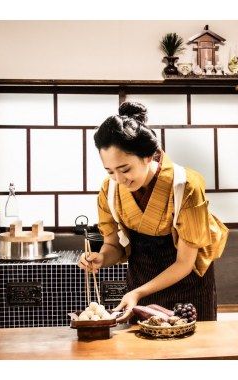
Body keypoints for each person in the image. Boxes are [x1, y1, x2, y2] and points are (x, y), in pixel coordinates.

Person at [78, 101, 228, 323]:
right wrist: (101, 258)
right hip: (140, 280)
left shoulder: (186, 185)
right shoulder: (109, 189)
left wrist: (138, 293)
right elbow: (114, 246)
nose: (119, 179)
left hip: (188, 285)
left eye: (125, 169)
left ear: (148, 156)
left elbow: (185, 263)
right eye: (110, 171)